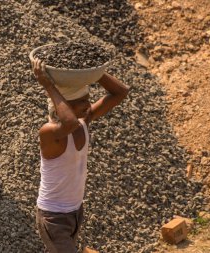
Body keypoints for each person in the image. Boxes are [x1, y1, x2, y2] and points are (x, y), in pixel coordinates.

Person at [32, 58, 130, 253]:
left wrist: (93, 73)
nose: (88, 104)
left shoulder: (82, 123)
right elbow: (67, 123)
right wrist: (49, 86)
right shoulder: (49, 133)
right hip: (53, 217)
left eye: (88, 98)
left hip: (75, 212)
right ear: (63, 107)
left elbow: (121, 92)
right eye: (81, 102)